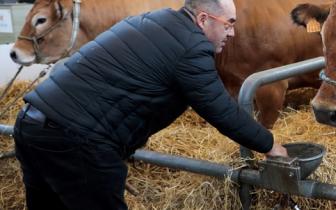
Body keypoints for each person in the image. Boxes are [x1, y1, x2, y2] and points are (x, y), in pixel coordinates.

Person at [12, 0, 288, 209]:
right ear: (204, 19)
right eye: (228, 23)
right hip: (75, 142)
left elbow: (126, 86)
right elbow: (220, 109)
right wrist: (269, 145)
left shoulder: (155, 21)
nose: (233, 33)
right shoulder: (191, 47)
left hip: (31, 125)